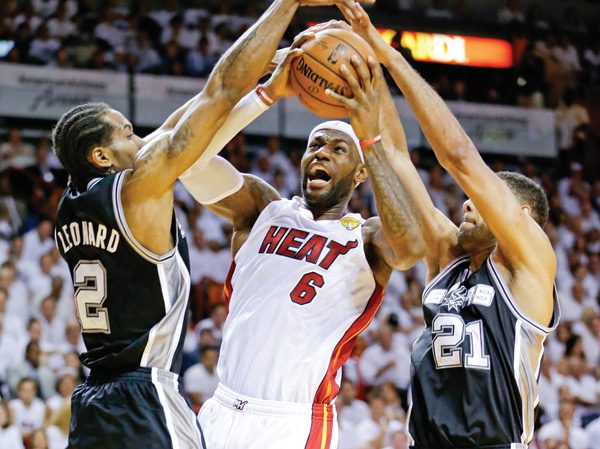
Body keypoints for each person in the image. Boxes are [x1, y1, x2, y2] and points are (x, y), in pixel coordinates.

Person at [51, 1, 360, 447]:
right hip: (145, 397)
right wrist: (285, 8)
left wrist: (268, 88)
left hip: (93, 400)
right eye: (127, 132)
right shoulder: (137, 189)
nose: (141, 137)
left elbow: (176, 134)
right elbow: (217, 93)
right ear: (101, 156)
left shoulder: (70, 206)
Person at [180, 27, 425, 449]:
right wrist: (265, 95)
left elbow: (411, 246)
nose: (322, 152)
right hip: (219, 409)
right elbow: (190, 162)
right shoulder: (262, 207)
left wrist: (371, 138)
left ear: (359, 173)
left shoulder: (363, 239)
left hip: (291, 422)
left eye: (337, 149)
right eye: (315, 144)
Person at [335, 5, 560, 448]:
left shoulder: (530, 266)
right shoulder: (447, 255)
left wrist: (392, 56)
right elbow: (397, 158)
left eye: (486, 198)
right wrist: (369, 65)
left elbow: (458, 157)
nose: (467, 203)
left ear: (522, 217)